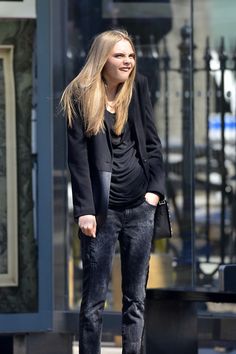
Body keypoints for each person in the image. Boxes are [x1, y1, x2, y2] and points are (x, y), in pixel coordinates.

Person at [61, 29, 165, 354]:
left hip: (139, 207)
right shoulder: (80, 95)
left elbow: (152, 144)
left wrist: (154, 194)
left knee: (135, 299)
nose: (128, 62)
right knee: (94, 299)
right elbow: (77, 160)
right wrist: (85, 210)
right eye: (120, 55)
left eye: (131, 56)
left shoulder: (138, 89)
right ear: (102, 58)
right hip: (101, 213)